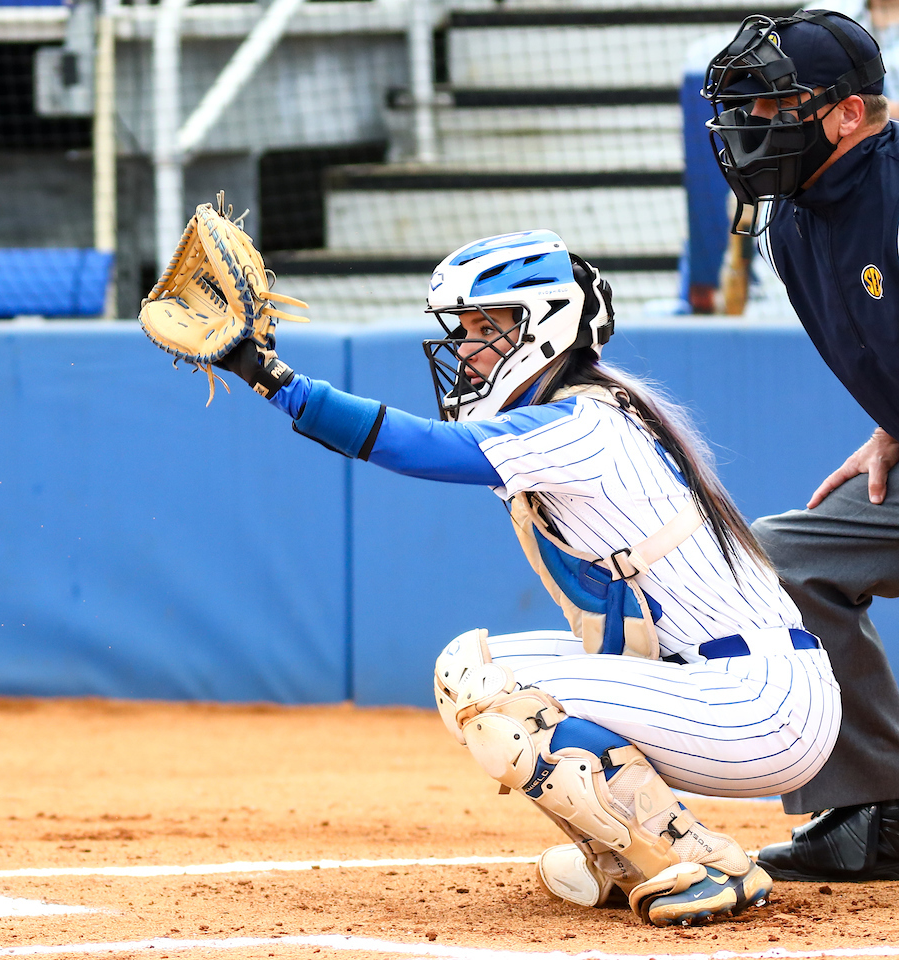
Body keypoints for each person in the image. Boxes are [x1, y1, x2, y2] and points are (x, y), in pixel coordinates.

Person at [211, 229, 841, 925]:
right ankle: (626, 856)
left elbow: (417, 447)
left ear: (544, 327)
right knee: (471, 669)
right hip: (722, 687)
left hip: (758, 704)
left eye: (487, 328)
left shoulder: (583, 423)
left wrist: (275, 381)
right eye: (465, 329)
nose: (466, 348)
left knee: (496, 692)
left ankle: (700, 858)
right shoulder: (574, 413)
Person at [704, 8, 899, 882]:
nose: (751, 125)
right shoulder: (792, 222)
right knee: (784, 559)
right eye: (745, 105)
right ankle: (880, 808)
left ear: (850, 113)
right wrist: (890, 425)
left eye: (775, 106)